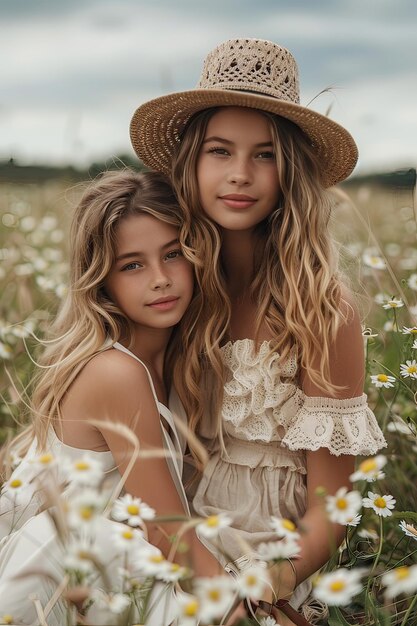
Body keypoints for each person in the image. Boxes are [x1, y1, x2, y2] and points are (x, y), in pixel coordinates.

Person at [129, 38, 387, 625]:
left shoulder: (321, 311)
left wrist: (273, 581)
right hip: (168, 520)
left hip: (264, 547)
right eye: (220, 151)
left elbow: (331, 508)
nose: (240, 175)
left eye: (265, 155)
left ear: (289, 169)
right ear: (191, 162)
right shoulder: (173, 286)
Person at [0, 169, 221, 625]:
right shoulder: (116, 372)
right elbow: (167, 533)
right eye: (132, 264)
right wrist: (244, 601)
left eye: (173, 254)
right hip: (60, 573)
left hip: (112, 566)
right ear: (101, 279)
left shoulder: (179, 364)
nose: (160, 279)